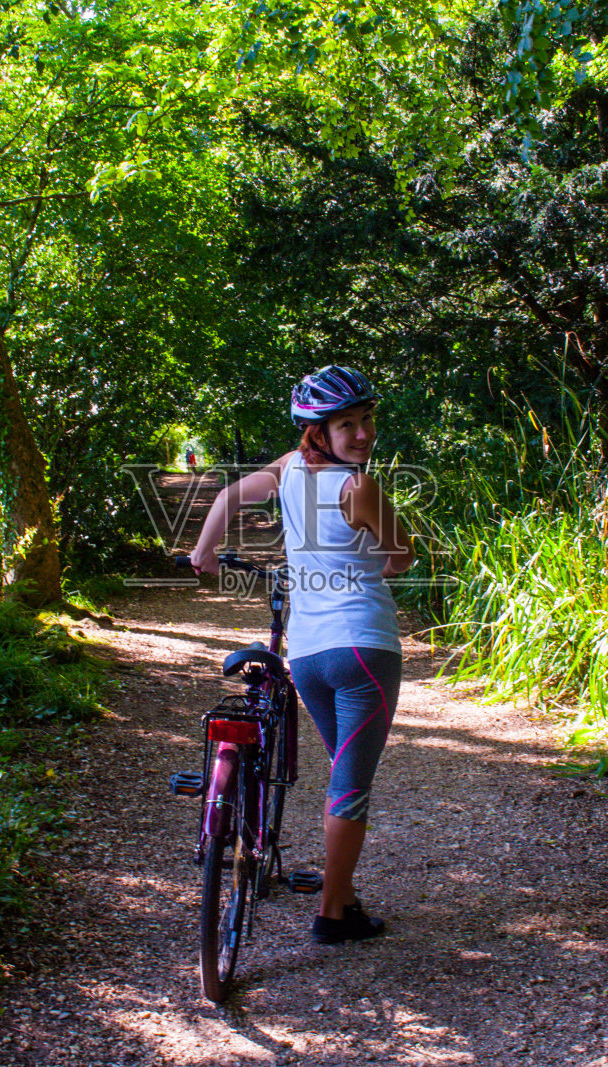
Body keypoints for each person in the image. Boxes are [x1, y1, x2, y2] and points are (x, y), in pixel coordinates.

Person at [190, 365, 416, 944]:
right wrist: (376, 566)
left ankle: (343, 894)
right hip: (364, 649)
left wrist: (205, 554)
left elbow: (227, 496)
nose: (363, 434)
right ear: (319, 431)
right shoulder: (358, 488)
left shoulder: (288, 471)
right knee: (351, 784)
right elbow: (402, 557)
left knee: (345, 771)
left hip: (309, 656)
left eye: (367, 420)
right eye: (347, 425)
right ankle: (334, 915)